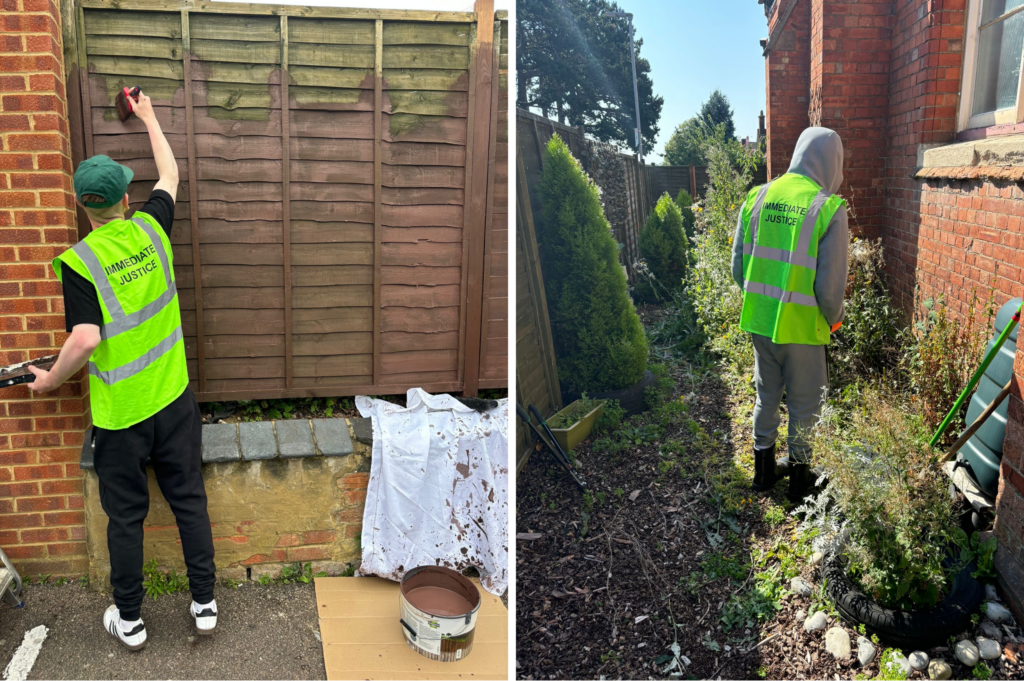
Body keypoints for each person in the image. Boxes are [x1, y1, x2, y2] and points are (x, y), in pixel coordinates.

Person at [27, 91, 217, 650]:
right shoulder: (153, 230)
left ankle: (129, 620)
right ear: (125, 198)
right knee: (189, 501)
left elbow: (85, 339)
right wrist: (150, 116)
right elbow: (172, 173)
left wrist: (51, 380)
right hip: (174, 399)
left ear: (84, 206)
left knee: (126, 519)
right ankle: (204, 604)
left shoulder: (81, 261)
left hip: (121, 417)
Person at [730, 127, 849, 502]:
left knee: (766, 395)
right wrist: (834, 320)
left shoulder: (757, 196)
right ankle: (800, 486)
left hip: (760, 324)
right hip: (802, 330)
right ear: (832, 162)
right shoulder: (828, 208)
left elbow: (739, 269)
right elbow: (829, 291)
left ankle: (763, 473)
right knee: (803, 404)